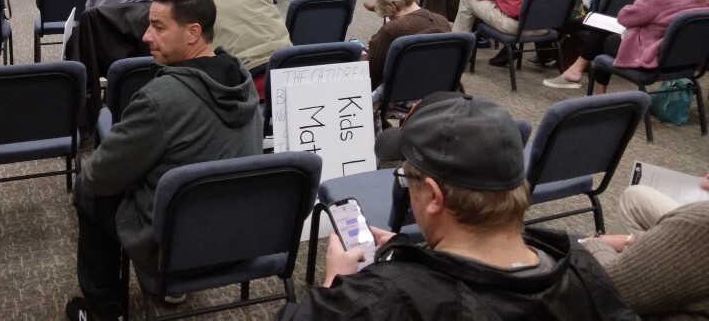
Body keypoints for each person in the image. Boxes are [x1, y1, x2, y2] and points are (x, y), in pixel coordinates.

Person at [278, 92, 639, 320]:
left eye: (407, 180)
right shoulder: (583, 271)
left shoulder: (378, 298)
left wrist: (332, 283)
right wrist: (414, 256)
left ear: (434, 197)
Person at [66, 0, 263, 321]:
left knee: (87, 189)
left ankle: (103, 311)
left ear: (193, 33)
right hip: (241, 234)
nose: (145, 36)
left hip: (177, 246)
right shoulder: (242, 79)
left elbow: (99, 175)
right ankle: (173, 287)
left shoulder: (161, 99)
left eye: (158, 27)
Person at [545, 0, 709, 92]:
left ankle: (589, 85)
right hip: (685, 61)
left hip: (652, 56)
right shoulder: (704, 1)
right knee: (607, 31)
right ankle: (579, 73)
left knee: (601, 31)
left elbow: (625, 17)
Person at [580, 177, 709, 319]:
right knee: (634, 198)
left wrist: (595, 244)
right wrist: (630, 240)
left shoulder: (701, 223)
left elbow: (606, 288)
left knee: (576, 263)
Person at [365, 0, 451, 90]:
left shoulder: (392, 30)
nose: (389, 20)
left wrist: (364, 55)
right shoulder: (443, 21)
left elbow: (371, 74)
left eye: (389, 16)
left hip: (400, 96)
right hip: (439, 91)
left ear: (394, 6)